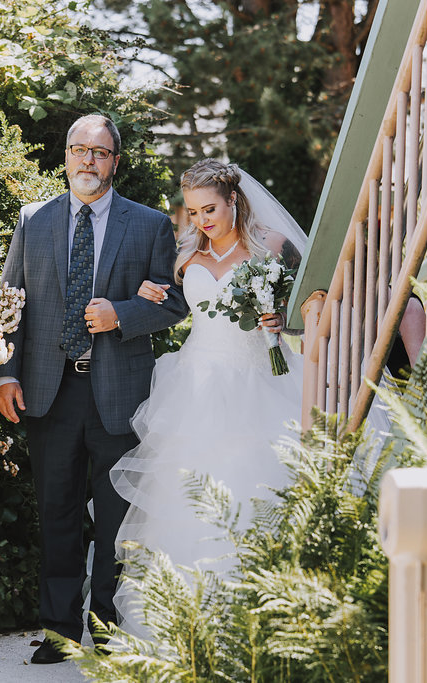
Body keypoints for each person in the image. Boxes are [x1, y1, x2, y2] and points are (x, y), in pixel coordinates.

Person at [0, 114, 190, 663]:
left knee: (115, 518)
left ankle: (107, 630)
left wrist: (121, 315)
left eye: (99, 152)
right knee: (56, 513)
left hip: (119, 393)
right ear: (65, 157)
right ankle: (59, 632)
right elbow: (11, 302)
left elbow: (174, 304)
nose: (88, 160)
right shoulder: (34, 220)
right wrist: (5, 372)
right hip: (46, 390)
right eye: (78, 150)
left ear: (115, 162)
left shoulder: (149, 225)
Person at [109, 158, 308, 635]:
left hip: (257, 383)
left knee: (252, 490)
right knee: (186, 500)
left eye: (210, 209)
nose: (202, 220)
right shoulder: (185, 255)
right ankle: (186, 627)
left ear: (233, 201)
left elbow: (306, 307)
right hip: (194, 387)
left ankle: (254, 623)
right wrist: (145, 293)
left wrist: (282, 322)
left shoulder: (273, 248)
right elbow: (171, 304)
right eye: (194, 211)